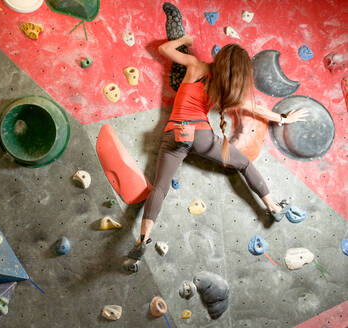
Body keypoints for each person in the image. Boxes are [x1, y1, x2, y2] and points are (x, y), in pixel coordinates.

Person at [126, 36, 308, 268]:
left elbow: (163, 49)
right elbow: (256, 108)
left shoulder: (195, 65)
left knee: (160, 188)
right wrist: (283, 118)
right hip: (200, 136)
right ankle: (273, 206)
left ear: (219, 58)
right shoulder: (225, 88)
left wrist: (184, 39)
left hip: (175, 133)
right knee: (243, 164)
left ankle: (143, 238)